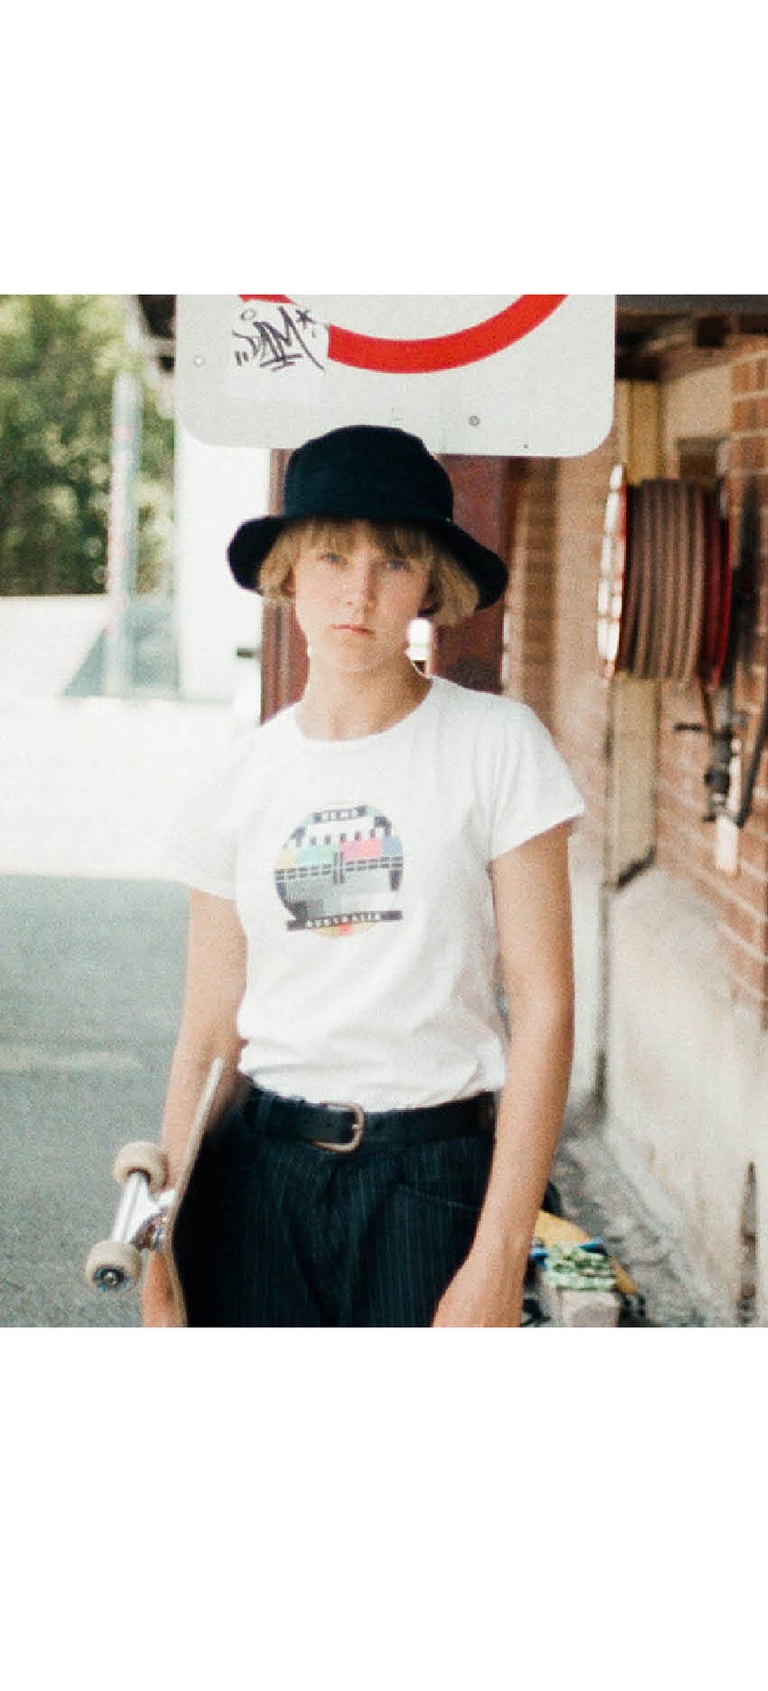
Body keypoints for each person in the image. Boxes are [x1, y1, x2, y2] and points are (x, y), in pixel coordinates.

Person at [144, 423, 584, 1327]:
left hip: (431, 1177)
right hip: (254, 1178)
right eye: (332, 556)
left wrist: (500, 1256)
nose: (359, 590)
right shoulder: (238, 778)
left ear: (429, 583)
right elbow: (206, 1037)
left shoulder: (497, 747)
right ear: (288, 574)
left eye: (393, 562)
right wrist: (160, 1239)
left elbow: (544, 1006)